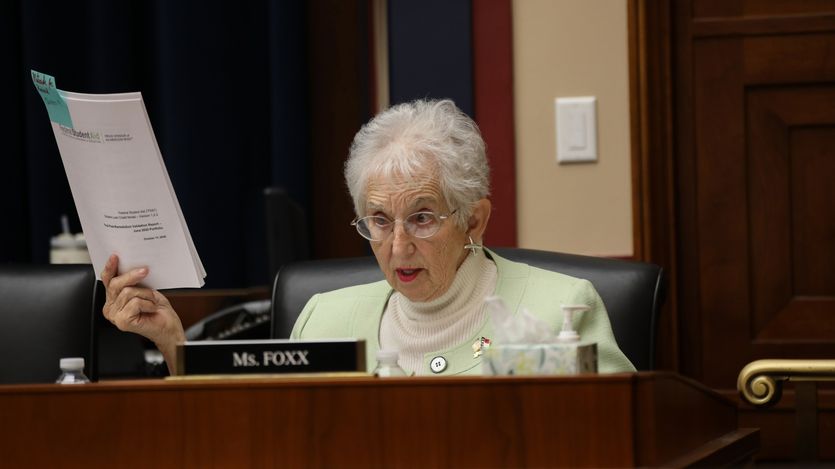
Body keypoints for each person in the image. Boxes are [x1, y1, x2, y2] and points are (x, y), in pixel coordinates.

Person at [102, 99, 635, 376]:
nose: (397, 246)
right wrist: (173, 340)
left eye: (422, 218)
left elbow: (623, 442)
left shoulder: (560, 307)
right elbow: (258, 435)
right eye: (378, 221)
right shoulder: (324, 319)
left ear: (474, 220)